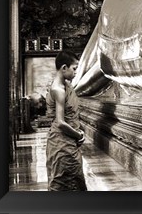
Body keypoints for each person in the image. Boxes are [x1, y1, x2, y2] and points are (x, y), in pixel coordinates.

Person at [46, 50, 87, 191]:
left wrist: (76, 133)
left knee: (74, 181)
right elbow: (61, 123)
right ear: (64, 68)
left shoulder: (65, 85)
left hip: (68, 141)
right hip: (62, 143)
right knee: (63, 182)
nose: (76, 72)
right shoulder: (59, 90)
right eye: (74, 69)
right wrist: (79, 134)